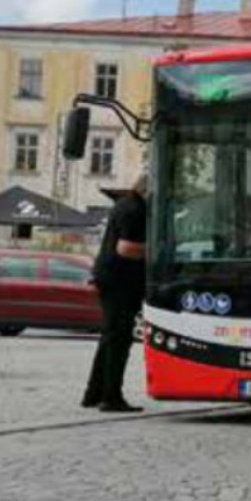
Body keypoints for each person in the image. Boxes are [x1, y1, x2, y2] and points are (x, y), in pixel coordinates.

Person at [82, 172, 149, 413]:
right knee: (119, 339)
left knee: (109, 337)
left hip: (109, 277)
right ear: (148, 191)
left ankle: (94, 392)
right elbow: (126, 248)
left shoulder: (123, 204)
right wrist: (157, 251)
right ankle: (112, 396)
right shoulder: (136, 210)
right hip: (121, 281)